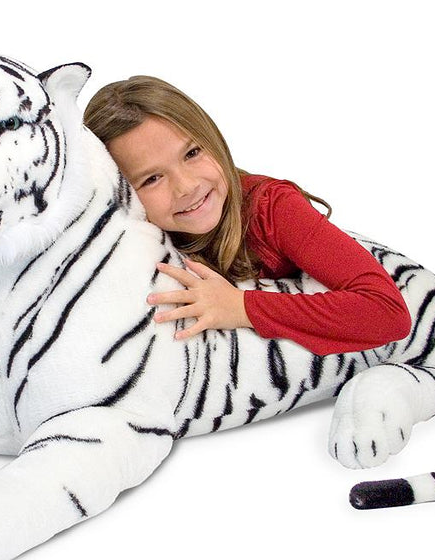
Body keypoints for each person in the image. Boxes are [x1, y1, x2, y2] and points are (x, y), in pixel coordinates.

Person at [83, 75, 411, 356]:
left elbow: (388, 312)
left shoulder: (272, 208)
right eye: (152, 178)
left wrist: (241, 307)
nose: (187, 186)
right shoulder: (131, 238)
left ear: (214, 140)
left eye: (192, 153)